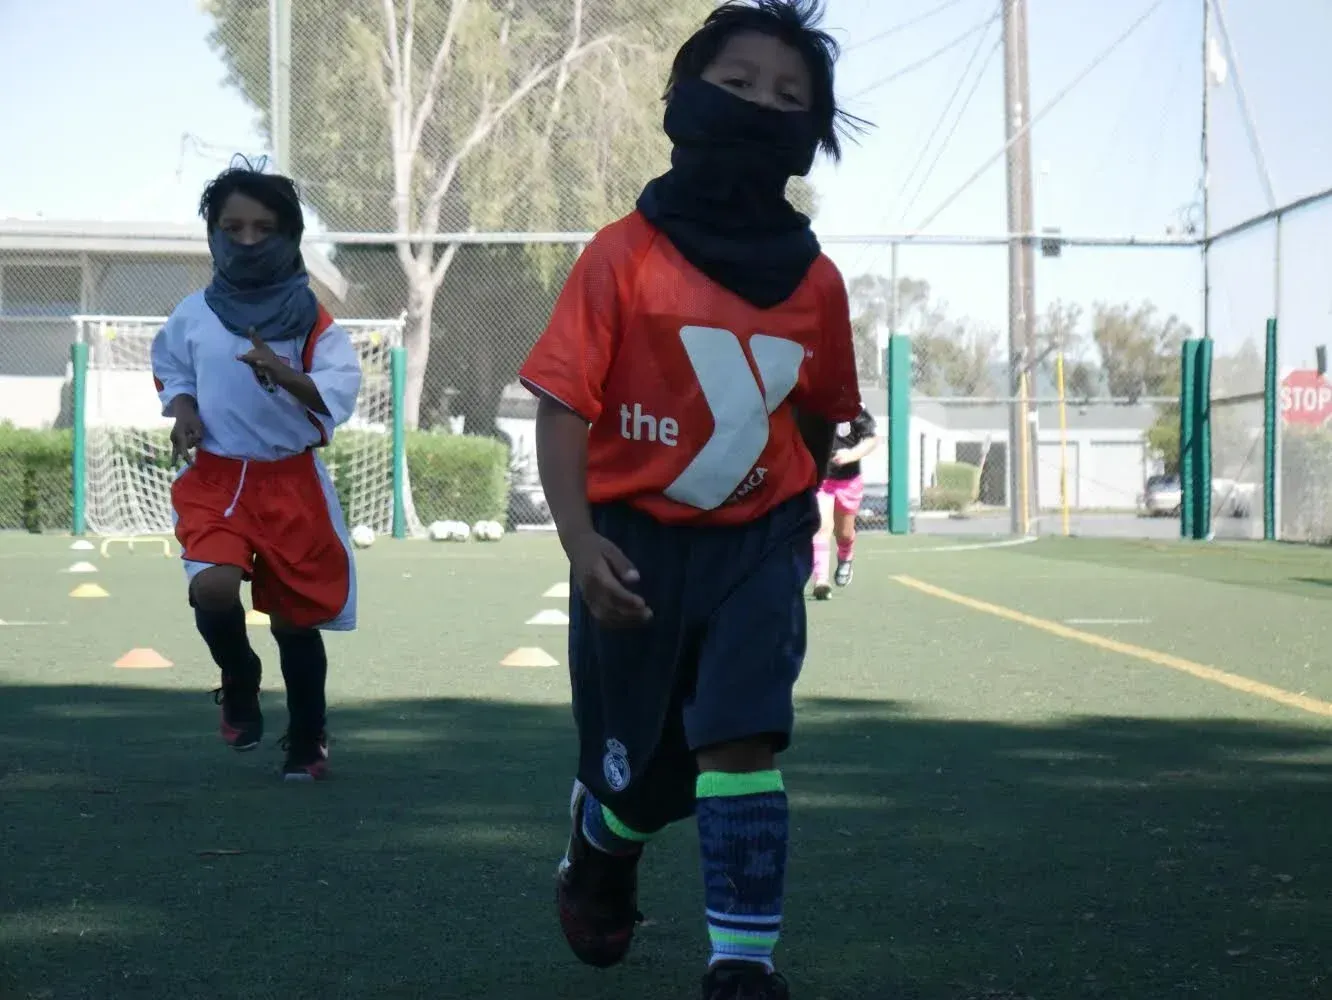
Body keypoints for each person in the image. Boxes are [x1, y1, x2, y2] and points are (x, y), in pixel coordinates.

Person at [517, 3, 864, 996]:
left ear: (812, 136)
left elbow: (821, 414)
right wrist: (580, 543)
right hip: (633, 548)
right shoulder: (621, 255)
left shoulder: (818, 281)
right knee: (645, 780)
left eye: (790, 97)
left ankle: (741, 965)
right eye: (740, 84)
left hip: (760, 541)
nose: (763, 106)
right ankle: (600, 847)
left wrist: (822, 471)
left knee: (741, 734)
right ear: (681, 102)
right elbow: (562, 409)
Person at [150, 160, 363, 782]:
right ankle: (239, 675)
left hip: (291, 486)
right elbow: (173, 370)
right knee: (213, 586)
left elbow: (339, 393)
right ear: (213, 233)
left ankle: (308, 735)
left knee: (297, 623)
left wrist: (287, 373)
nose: (246, 241)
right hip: (217, 479)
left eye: (262, 228)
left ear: (289, 236)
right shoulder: (194, 311)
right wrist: (184, 410)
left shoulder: (313, 319)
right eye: (231, 227)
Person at [809, 405, 877, 600]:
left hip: (849, 482)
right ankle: (821, 581)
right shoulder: (811, 408)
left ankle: (846, 555)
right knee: (822, 527)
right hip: (822, 480)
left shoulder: (853, 407)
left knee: (844, 533)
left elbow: (872, 439)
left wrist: (852, 455)